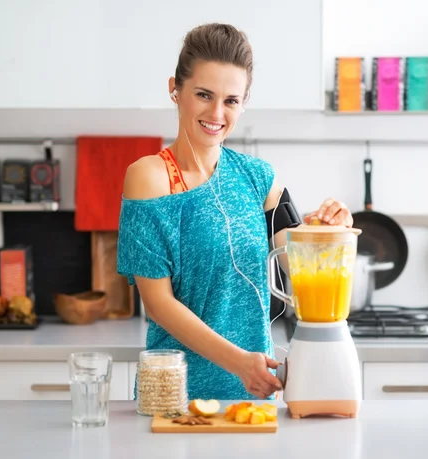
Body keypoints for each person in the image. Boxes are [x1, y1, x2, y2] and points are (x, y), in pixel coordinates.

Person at [117, 23, 353, 401]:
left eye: (231, 100)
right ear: (175, 91)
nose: (216, 112)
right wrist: (240, 363)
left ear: (244, 103)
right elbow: (159, 305)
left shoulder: (259, 178)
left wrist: (332, 229)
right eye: (204, 95)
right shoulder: (150, 178)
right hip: (176, 397)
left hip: (254, 398)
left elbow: (303, 268)